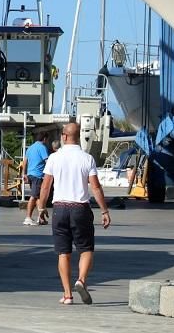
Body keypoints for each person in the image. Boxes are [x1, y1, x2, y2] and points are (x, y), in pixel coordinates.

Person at [37, 122, 111, 305]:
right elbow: (95, 186)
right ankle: (81, 281)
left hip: (60, 208)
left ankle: (68, 294)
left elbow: (46, 185)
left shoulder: (54, 158)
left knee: (63, 253)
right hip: (80, 209)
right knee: (86, 250)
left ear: (64, 136)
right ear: (78, 136)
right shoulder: (87, 158)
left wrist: (41, 207)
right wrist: (104, 210)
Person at [22, 130, 50, 226]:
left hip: (30, 174)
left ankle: (40, 218)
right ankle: (28, 218)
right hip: (38, 175)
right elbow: (47, 161)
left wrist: (24, 173)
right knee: (34, 196)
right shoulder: (42, 147)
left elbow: (25, 161)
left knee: (38, 197)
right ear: (45, 138)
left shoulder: (30, 148)